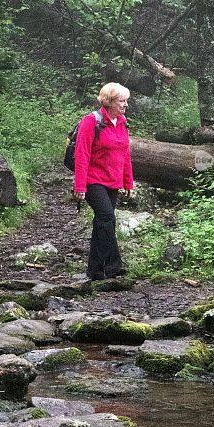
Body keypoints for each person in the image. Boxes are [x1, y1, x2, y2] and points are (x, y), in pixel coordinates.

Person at [73, 82, 134, 280]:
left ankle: (102, 269)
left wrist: (128, 182)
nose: (125, 105)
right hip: (93, 181)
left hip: (113, 181)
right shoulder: (91, 122)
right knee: (107, 218)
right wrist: (80, 186)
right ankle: (106, 267)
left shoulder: (122, 122)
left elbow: (125, 154)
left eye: (126, 101)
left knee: (104, 222)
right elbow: (82, 155)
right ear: (108, 102)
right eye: (121, 101)